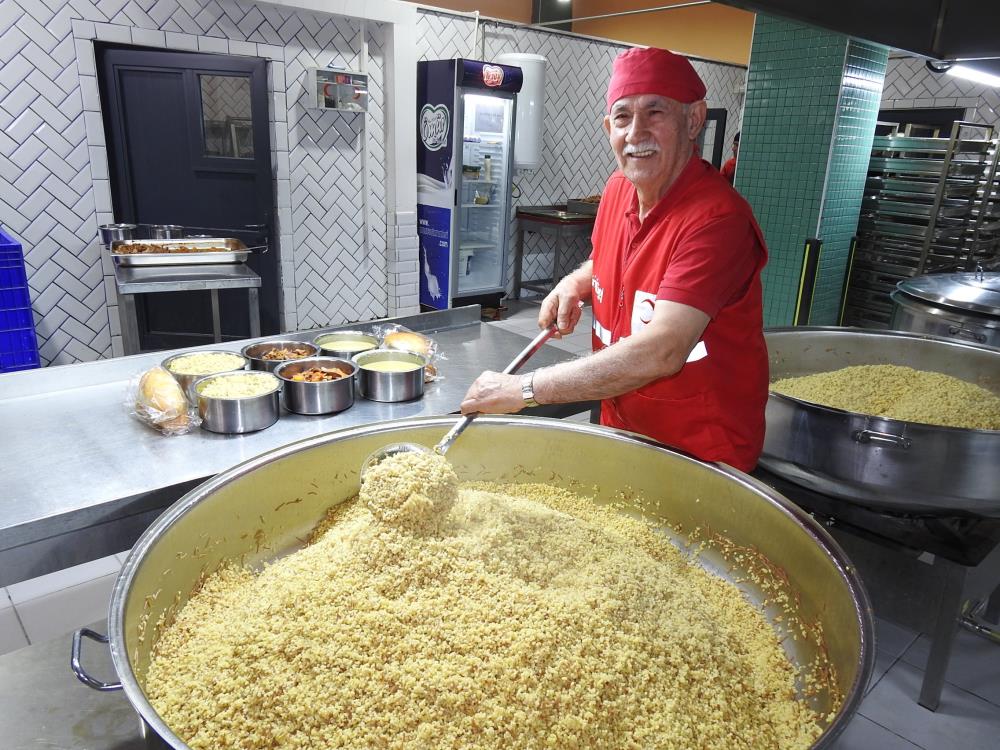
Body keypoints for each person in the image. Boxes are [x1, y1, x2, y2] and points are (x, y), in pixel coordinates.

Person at [460, 47, 769, 472]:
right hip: (623, 430)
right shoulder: (619, 189)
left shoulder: (716, 221)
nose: (636, 132)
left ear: (693, 120)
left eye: (655, 112)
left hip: (699, 451)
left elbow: (661, 350)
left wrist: (525, 389)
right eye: (623, 117)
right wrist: (575, 283)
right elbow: (606, 262)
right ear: (609, 127)